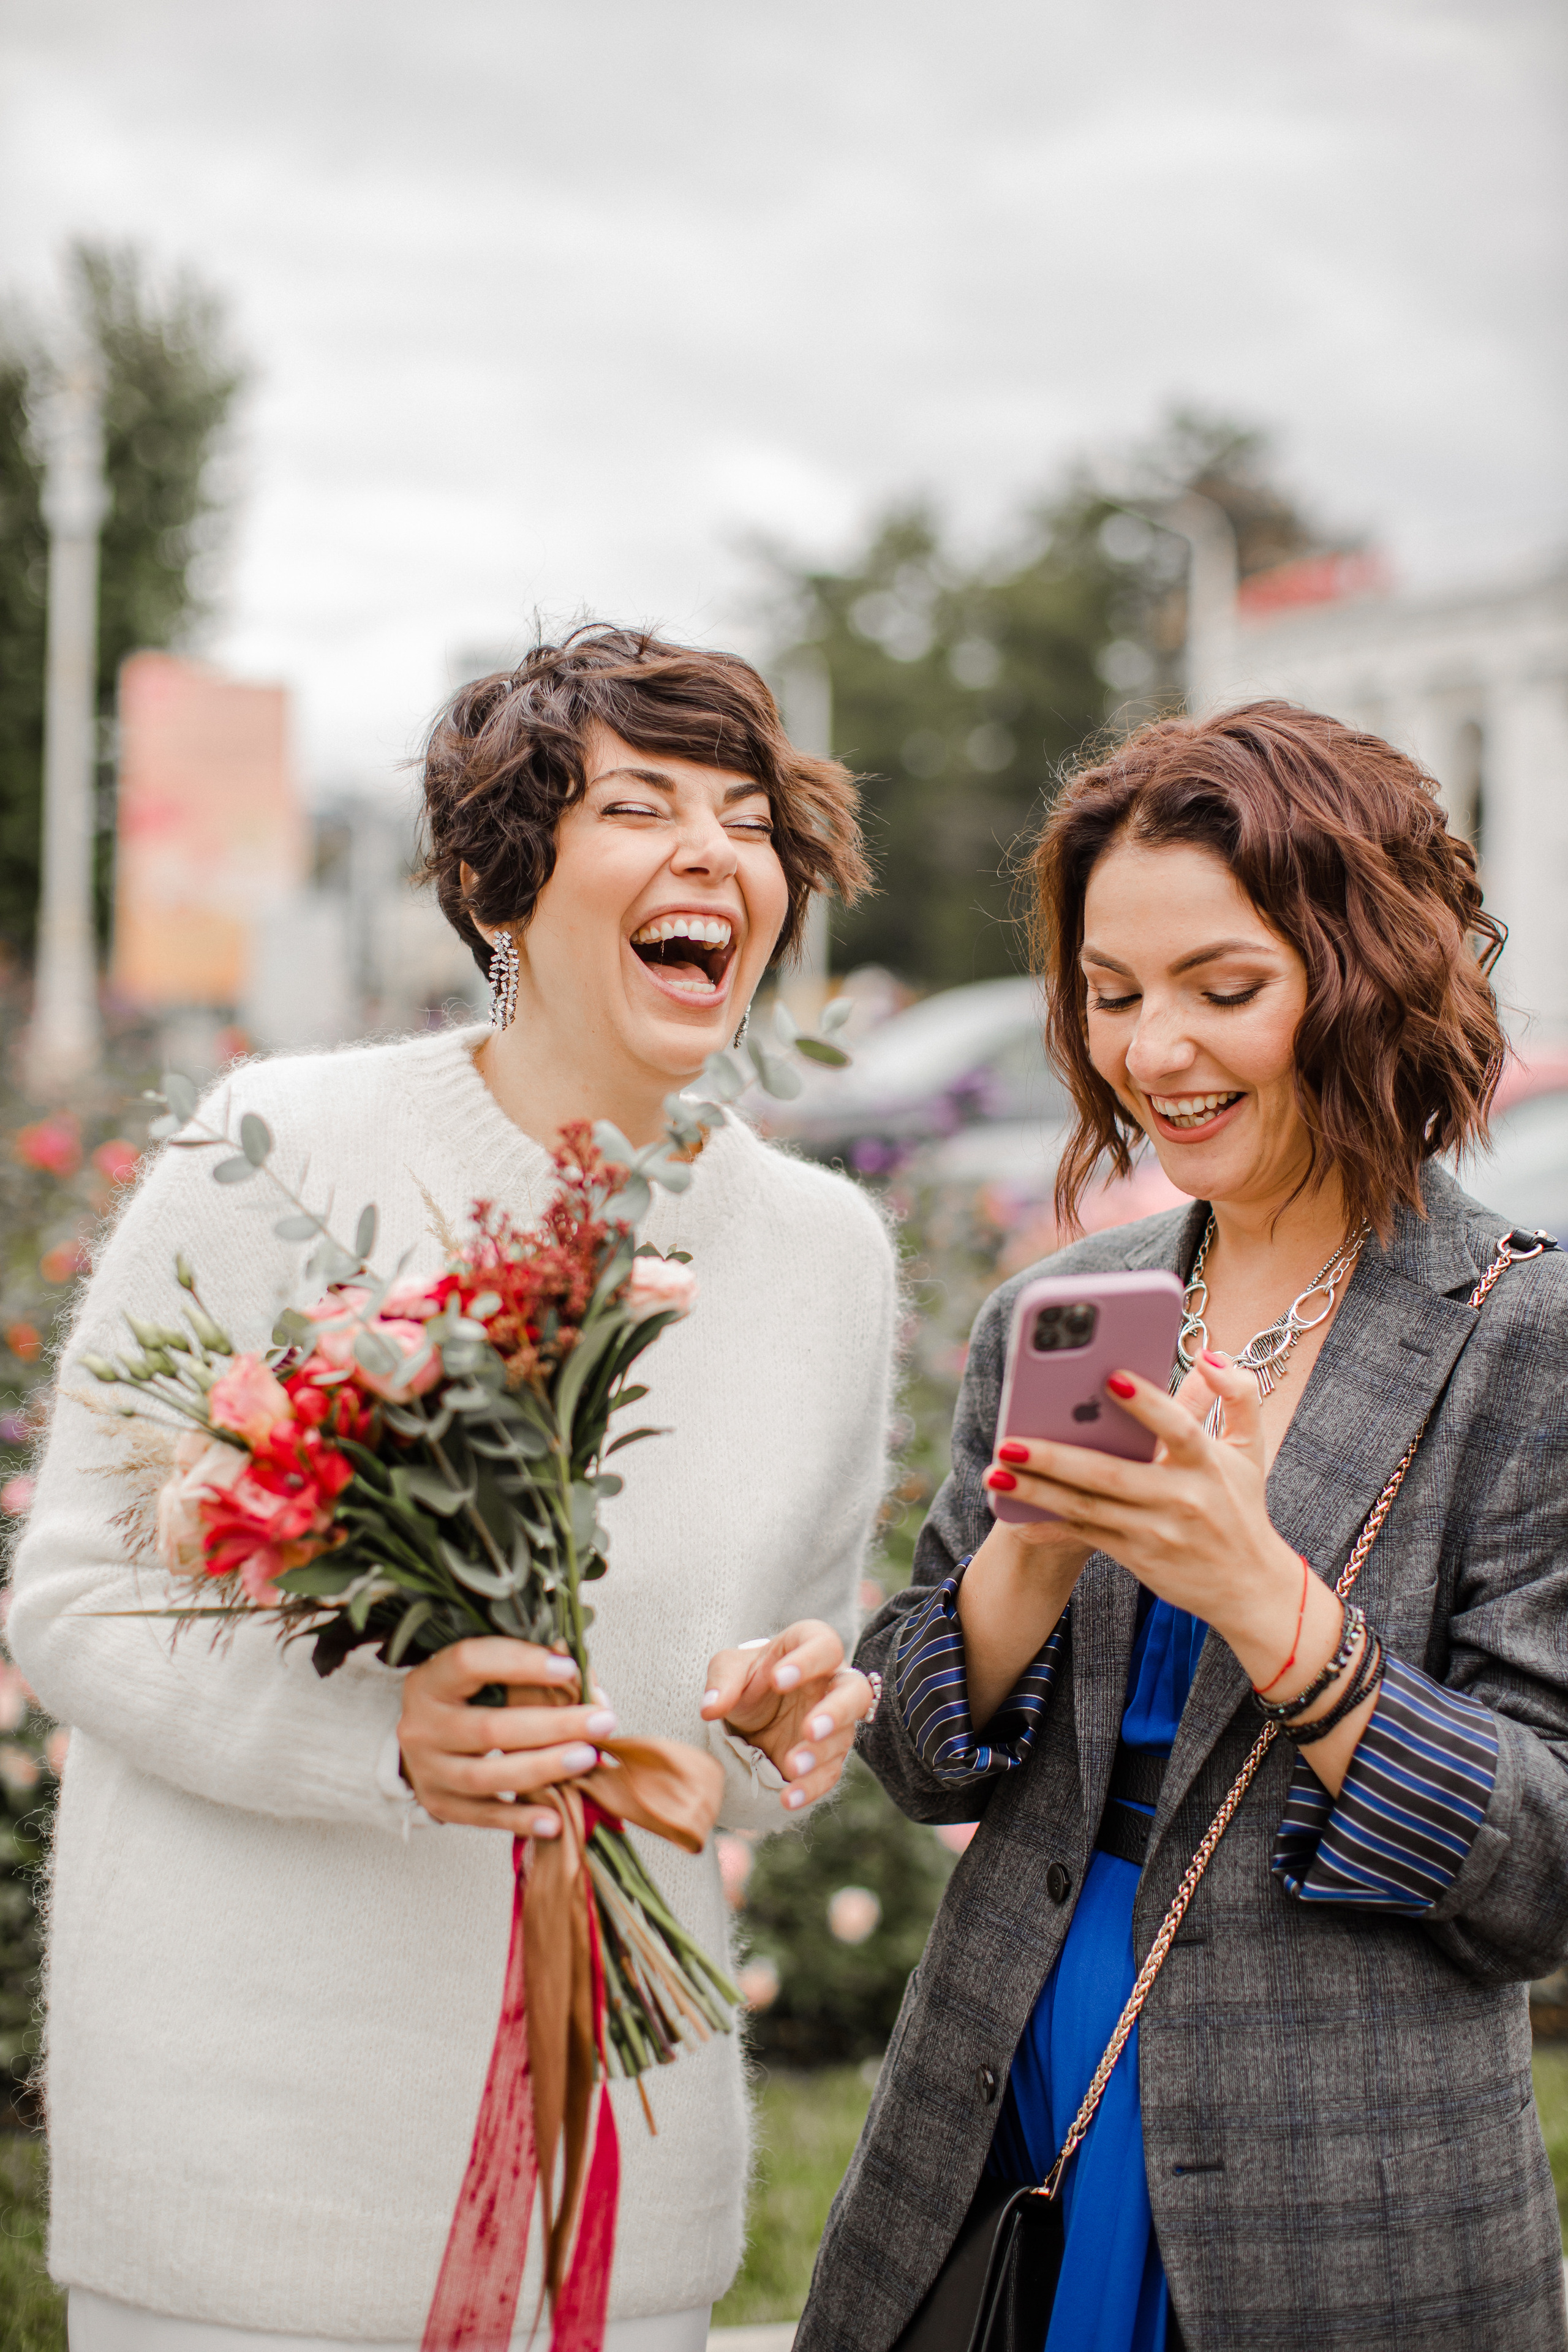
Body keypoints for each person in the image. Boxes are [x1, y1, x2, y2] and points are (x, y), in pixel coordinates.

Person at [11, 627, 897, 2352]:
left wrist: (784, 1729)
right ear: (501, 886)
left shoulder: (827, 1258)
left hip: (619, 2191)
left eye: (751, 818)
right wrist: (383, 1746)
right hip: (243, 2192)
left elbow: (751, 1726)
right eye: (641, 807)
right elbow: (78, 1597)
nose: (718, 853)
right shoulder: (279, 1153)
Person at [799, 702, 1568, 2352]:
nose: (1155, 1053)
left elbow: (1544, 1871)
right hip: (1007, 2072)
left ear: (1364, 980)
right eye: (1113, 993)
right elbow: (927, 1758)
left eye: (1225, 992)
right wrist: (1037, 1547)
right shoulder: (1059, 1313)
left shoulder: (1523, 1338)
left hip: (1348, 2162)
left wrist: (1265, 1601)